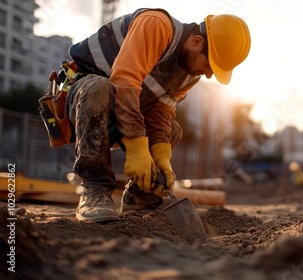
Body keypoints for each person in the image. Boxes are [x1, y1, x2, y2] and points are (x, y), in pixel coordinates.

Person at [61, 8, 250, 222]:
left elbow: (162, 111)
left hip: (121, 115)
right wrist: (136, 146)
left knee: (172, 129)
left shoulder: (189, 75)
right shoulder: (156, 25)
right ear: (197, 42)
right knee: (99, 87)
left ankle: (140, 197)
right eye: (209, 65)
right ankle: (94, 191)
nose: (208, 74)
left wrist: (161, 157)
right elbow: (125, 82)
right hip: (84, 103)